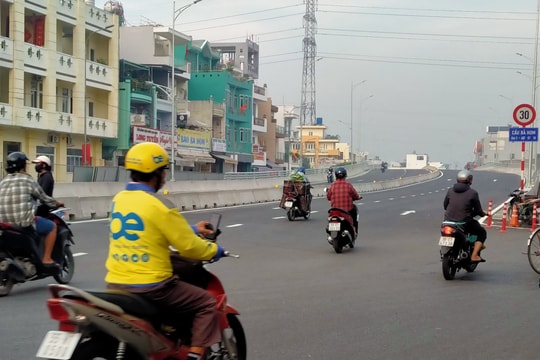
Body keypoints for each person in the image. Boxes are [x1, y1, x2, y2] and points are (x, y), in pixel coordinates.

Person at [104, 142, 225, 360]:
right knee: (206, 303)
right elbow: (189, 246)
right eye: (164, 171)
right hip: (152, 287)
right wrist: (214, 250)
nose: (165, 176)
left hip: (115, 283)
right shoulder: (159, 203)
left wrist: (191, 228)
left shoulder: (119, 199)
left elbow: (144, 227)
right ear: (157, 173)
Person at [0, 152, 64, 269]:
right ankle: (47, 259)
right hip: (24, 221)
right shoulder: (29, 180)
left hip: (4, 223)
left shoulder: (2, 182)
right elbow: (43, 197)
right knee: (52, 227)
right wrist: (57, 203)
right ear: (23, 166)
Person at [443, 170, 487, 263]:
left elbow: (445, 206)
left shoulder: (450, 191)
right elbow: (478, 210)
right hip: (463, 223)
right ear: (469, 180)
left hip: (447, 222)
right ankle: (474, 255)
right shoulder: (472, 193)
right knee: (481, 233)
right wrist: (483, 213)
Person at [326, 167, 362, 233]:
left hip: (335, 210)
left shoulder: (332, 185)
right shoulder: (348, 185)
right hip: (347, 210)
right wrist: (358, 197)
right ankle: (354, 230)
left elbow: (328, 197)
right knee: (354, 212)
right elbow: (355, 195)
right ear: (345, 175)